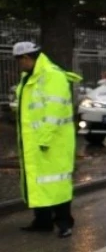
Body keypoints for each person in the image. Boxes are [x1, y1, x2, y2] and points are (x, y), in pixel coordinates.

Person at [12, 42, 81, 237]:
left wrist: (45, 138)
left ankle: (64, 223)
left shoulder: (51, 76)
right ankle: (42, 221)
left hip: (52, 142)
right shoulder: (30, 77)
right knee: (39, 182)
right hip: (36, 141)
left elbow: (55, 111)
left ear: (26, 58)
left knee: (56, 183)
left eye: (19, 61)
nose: (19, 65)